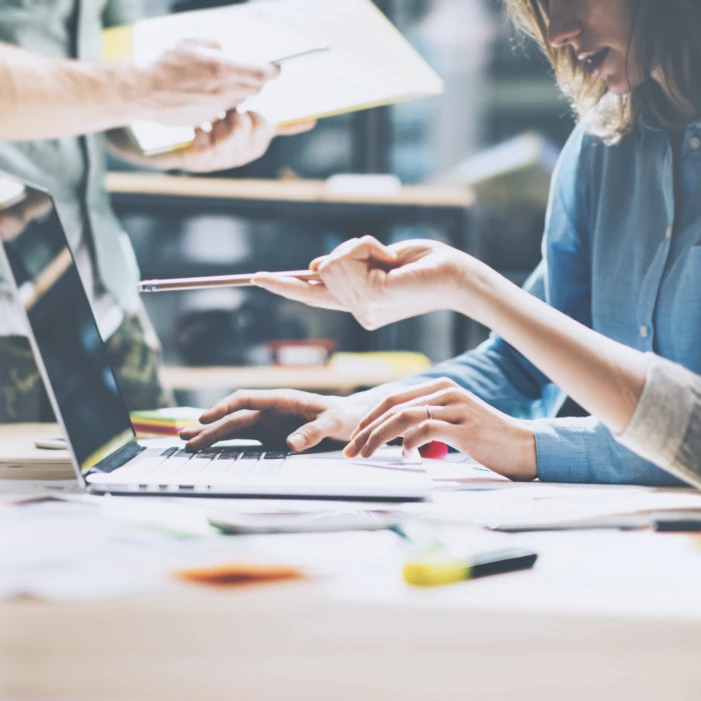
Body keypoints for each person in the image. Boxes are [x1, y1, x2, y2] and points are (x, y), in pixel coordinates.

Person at [181, 0, 701, 489]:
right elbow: (524, 365)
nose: (558, 31)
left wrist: (526, 446)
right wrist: (353, 414)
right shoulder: (602, 145)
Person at [0, 3, 313, 421]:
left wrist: (190, 141)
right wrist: (146, 87)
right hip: (11, 299)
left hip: (105, 296)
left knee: (160, 478)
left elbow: (116, 102)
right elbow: (132, 86)